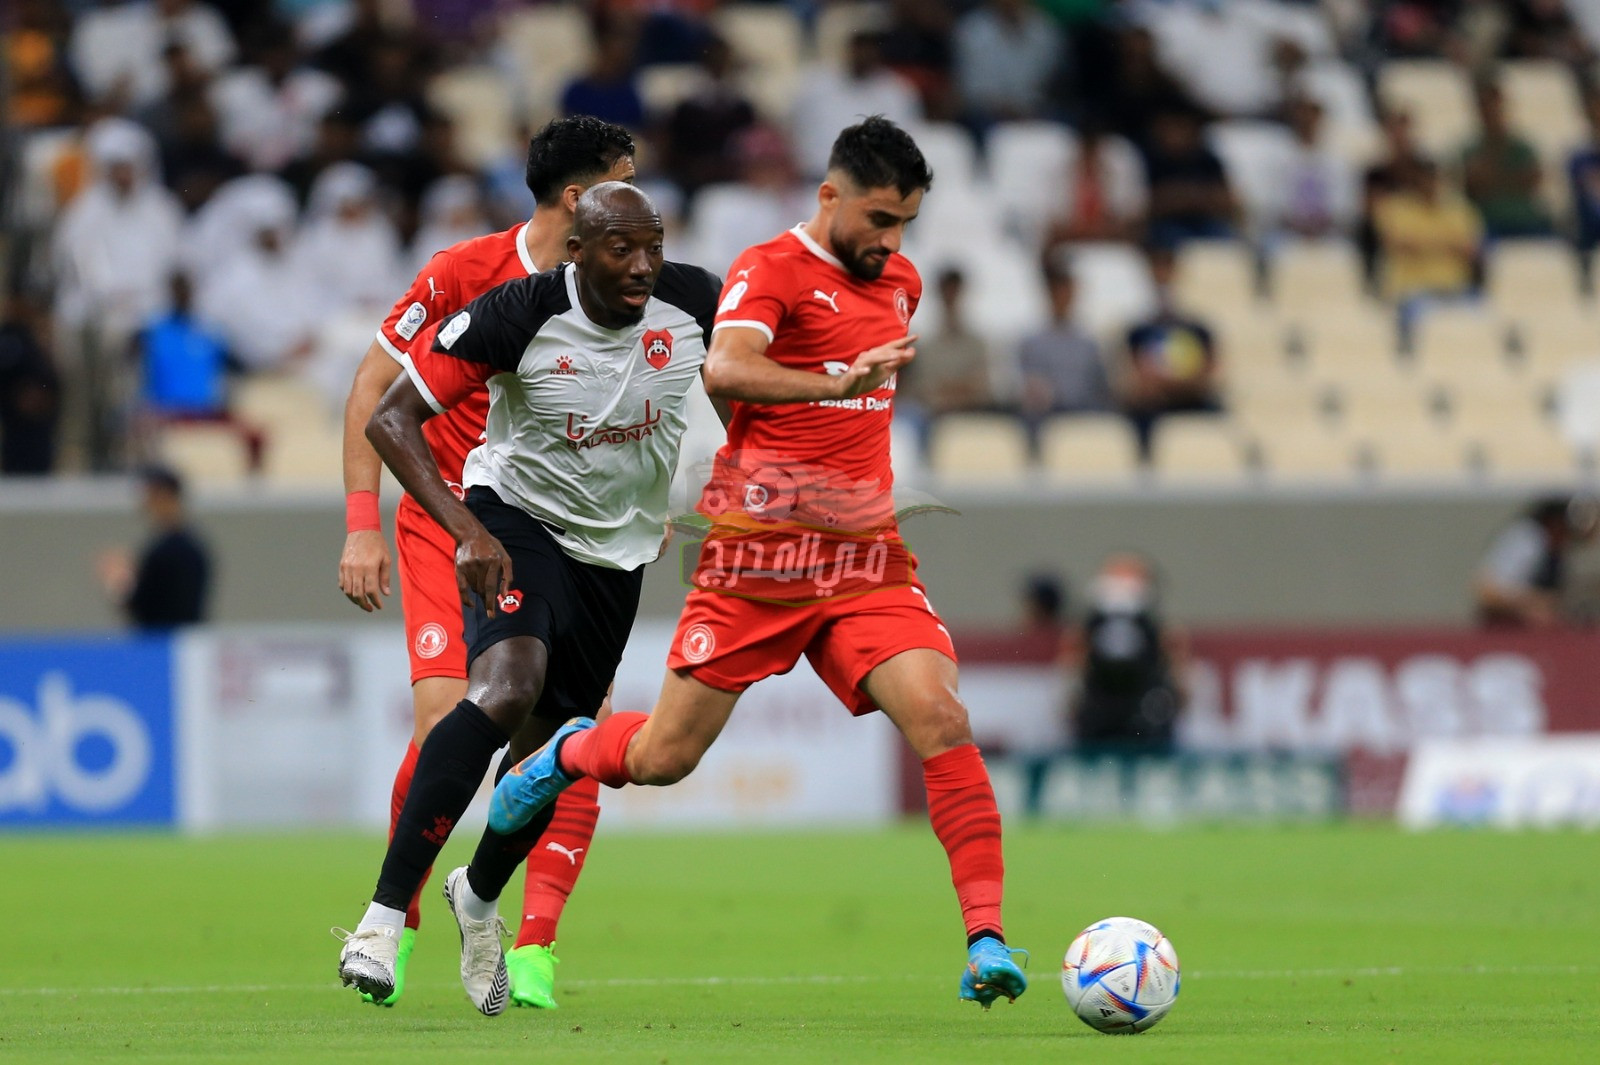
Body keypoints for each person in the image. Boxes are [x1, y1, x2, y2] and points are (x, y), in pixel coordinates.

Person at [489, 117, 1031, 1011]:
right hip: (757, 559)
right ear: (829, 196)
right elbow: (728, 371)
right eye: (880, 218)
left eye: (905, 224)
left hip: (863, 559)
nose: (892, 242)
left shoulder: (901, 280)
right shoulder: (768, 269)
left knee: (941, 715)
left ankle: (986, 941)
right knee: (664, 757)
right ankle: (567, 748)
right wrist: (833, 380)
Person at [335, 182, 722, 1016]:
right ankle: (378, 918)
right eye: (622, 248)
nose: (643, 265)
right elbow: (391, 418)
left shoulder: (694, 300)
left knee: (551, 751)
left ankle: (477, 896)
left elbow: (742, 389)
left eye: (653, 245)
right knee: (505, 688)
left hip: (615, 554)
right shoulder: (518, 310)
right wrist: (467, 531)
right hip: (517, 520)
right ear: (577, 250)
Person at [1065, 554, 1186, 758]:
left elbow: (1177, 667)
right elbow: (1073, 663)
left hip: (1145, 707)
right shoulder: (1089, 625)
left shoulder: (1158, 628)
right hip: (1100, 707)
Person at [1120, 245, 1222, 459]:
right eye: (1157, 268)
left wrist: (1174, 382)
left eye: (1167, 268)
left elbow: (1207, 375)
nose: (1162, 276)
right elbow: (1139, 381)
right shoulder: (1139, 330)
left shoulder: (1197, 328)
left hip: (1193, 402)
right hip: (1155, 408)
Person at [1016, 256, 1114, 454]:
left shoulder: (1089, 344)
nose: (1062, 297)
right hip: (1046, 422)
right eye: (1057, 291)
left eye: (1066, 291)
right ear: (1049, 294)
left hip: (1085, 419)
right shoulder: (1031, 343)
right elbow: (1025, 390)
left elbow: (1101, 390)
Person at [96, 465, 211, 630]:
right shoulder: (194, 547)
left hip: (163, 646)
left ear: (164, 496)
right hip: (184, 642)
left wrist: (117, 582)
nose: (145, 503)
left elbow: (142, 608)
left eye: (149, 495)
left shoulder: (167, 551)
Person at [1475, 495, 1600, 628]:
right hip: (1506, 633)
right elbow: (1486, 591)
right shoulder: (1528, 538)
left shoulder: (1564, 550)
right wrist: (1534, 603)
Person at [1460, 77, 1553, 239]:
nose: (1492, 111)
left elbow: (1533, 181)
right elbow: (1474, 185)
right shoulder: (1470, 150)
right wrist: (1512, 178)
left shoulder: (1523, 147)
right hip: (1488, 219)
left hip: (1526, 217)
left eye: (1496, 105)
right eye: (1486, 106)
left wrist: (1494, 179)